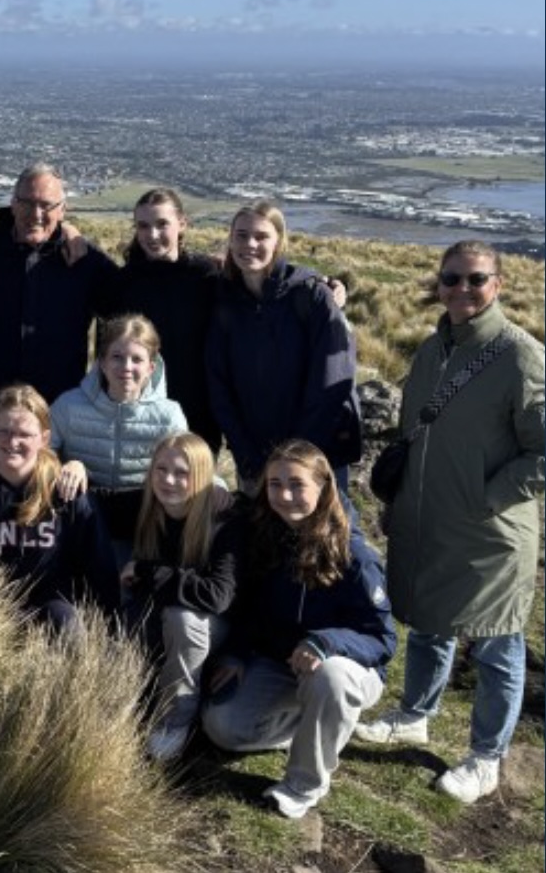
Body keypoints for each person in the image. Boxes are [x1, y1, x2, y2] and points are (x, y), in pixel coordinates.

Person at [354, 240, 544, 805]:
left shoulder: (520, 356)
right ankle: (416, 713)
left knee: (495, 644)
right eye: (452, 278)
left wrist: (487, 498)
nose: (463, 289)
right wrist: (399, 501)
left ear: (499, 284)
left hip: (490, 532)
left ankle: (487, 756)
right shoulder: (434, 349)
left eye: (477, 279)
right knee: (431, 624)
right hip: (428, 518)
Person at [201, 440, 395, 819]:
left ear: (323, 489)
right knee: (222, 728)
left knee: (332, 679)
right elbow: (251, 608)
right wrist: (238, 653)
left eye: (297, 484)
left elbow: (383, 640)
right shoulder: (265, 536)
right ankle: (312, 728)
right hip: (281, 662)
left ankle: (303, 785)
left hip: (345, 668)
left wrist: (327, 641)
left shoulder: (355, 556)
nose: (285, 495)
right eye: (275, 484)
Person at [206, 201, 362, 496]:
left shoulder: (311, 295)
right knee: (263, 538)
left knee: (328, 537)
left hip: (314, 457)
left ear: (279, 241)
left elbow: (331, 385)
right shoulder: (226, 300)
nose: (249, 244)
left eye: (261, 236)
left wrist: (293, 459)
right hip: (253, 457)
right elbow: (219, 383)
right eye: (240, 235)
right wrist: (245, 453)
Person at [0, 384, 116, 635]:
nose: (13, 442)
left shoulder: (66, 491)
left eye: (25, 434)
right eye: (4, 431)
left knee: (69, 626)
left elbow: (99, 568)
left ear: (44, 438)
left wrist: (108, 631)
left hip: (50, 604)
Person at [0, 163, 115, 434]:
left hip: (59, 414)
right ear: (13, 204)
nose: (36, 214)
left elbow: (134, 297)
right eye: (27, 203)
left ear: (63, 210)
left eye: (47, 205)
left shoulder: (86, 262)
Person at [122, 433, 239, 762]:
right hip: (156, 621)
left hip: (212, 629)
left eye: (182, 473)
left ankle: (176, 719)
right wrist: (69, 467)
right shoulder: (146, 504)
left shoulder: (223, 521)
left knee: (181, 617)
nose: (168, 480)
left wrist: (149, 571)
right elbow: (92, 500)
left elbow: (217, 596)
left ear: (202, 476)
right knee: (135, 613)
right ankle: (124, 703)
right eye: (160, 469)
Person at [95, 189, 222, 449]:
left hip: (198, 413)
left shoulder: (207, 276)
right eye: (143, 226)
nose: (152, 235)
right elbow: (106, 352)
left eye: (162, 224)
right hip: (138, 417)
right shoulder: (121, 284)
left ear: (182, 223)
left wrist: (323, 283)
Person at [47, 314, 189, 546]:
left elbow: (191, 464)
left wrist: (217, 487)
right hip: (82, 516)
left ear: (151, 367)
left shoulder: (169, 415)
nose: (126, 367)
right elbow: (39, 453)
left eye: (137, 359)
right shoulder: (69, 405)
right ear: (101, 362)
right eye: (117, 357)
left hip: (144, 523)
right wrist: (68, 465)